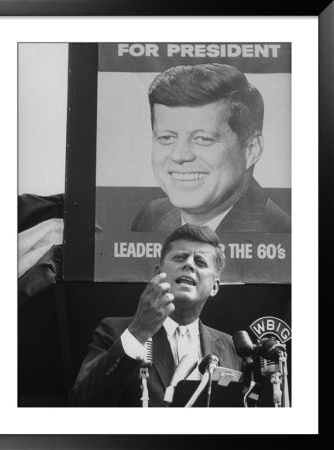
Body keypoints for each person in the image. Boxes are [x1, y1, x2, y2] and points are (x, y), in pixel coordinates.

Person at [69, 223, 241, 407]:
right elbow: (81, 404)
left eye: (200, 262)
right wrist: (139, 331)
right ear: (158, 273)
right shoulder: (115, 331)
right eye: (180, 257)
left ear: (214, 286)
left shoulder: (232, 348)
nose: (189, 264)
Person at [131, 63, 291, 233]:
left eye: (203, 139)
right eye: (166, 138)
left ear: (252, 149)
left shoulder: (280, 233)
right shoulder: (151, 216)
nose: (179, 155)